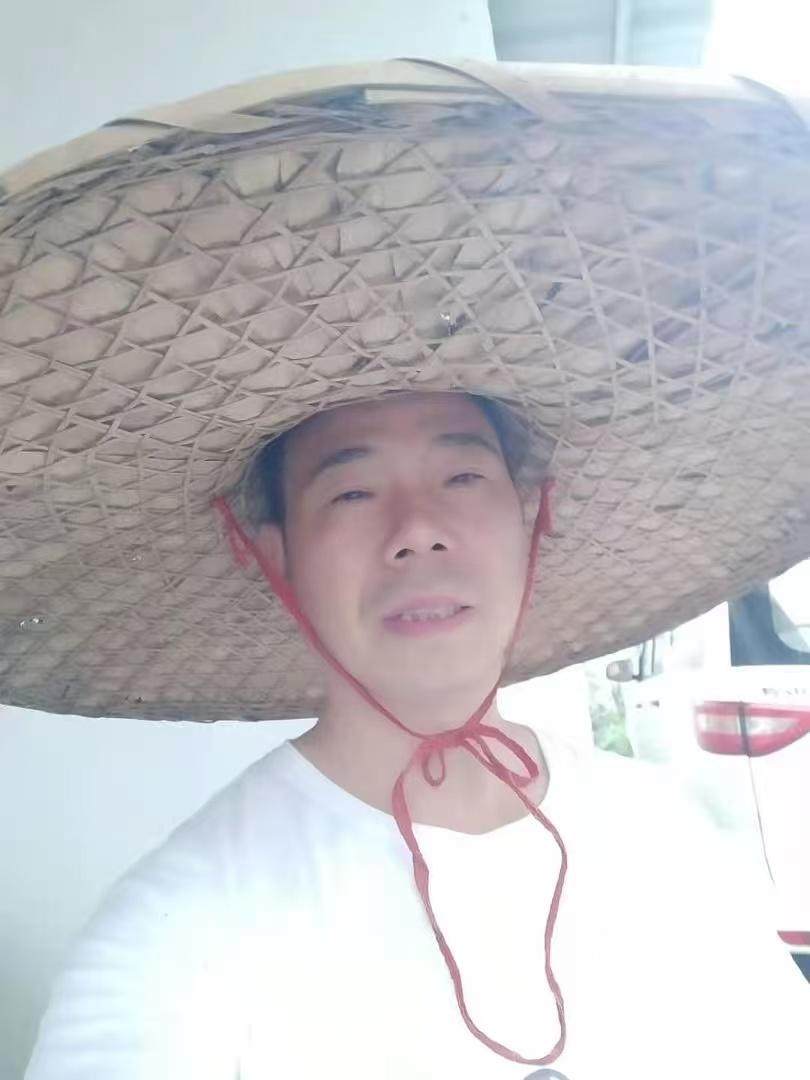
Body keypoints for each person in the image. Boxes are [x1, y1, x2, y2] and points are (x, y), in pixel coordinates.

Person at [5, 60, 810, 1080]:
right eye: (350, 492)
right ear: (271, 554)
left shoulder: (673, 846)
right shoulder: (174, 945)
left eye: (463, 476)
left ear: (530, 517)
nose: (418, 531)